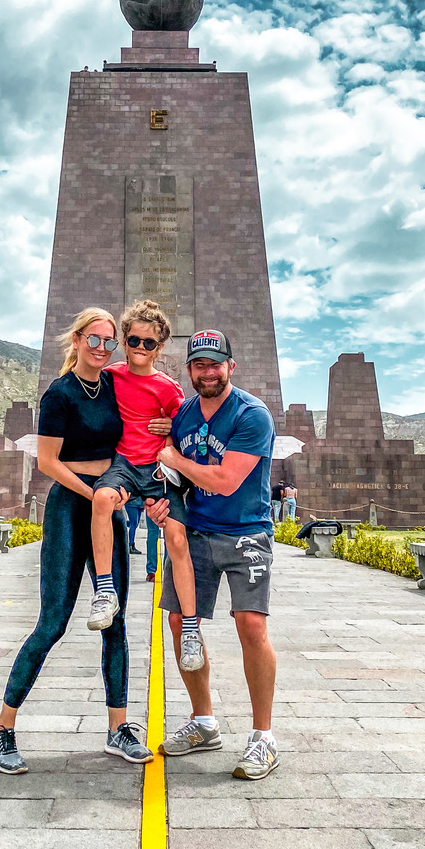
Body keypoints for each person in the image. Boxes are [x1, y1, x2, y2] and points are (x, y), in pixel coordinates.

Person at [0, 307, 153, 774]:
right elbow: (47, 462)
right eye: (95, 339)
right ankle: (4, 729)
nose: (103, 348)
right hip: (71, 505)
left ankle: (118, 728)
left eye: (110, 342)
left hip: (109, 505)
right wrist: (97, 492)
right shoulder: (58, 394)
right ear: (77, 340)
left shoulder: (115, 385)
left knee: (116, 620)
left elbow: (140, 424)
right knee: (53, 623)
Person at [146, 328, 279, 780]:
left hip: (246, 532)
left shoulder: (251, 415)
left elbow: (224, 480)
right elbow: (175, 479)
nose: (207, 372)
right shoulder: (182, 414)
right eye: (199, 365)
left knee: (251, 625)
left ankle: (263, 737)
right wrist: (159, 502)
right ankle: (204, 722)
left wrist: (174, 457)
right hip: (197, 533)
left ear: (230, 367)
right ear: (189, 371)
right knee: (180, 620)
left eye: (215, 364)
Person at [89, 299, 204, 671]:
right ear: (124, 341)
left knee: (177, 538)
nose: (140, 348)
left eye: (148, 343)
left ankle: (190, 629)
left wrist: (172, 429)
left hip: (157, 471)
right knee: (103, 499)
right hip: (123, 464)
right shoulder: (110, 377)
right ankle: (105, 591)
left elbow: (189, 428)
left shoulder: (169, 388)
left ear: (161, 346)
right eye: (134, 340)